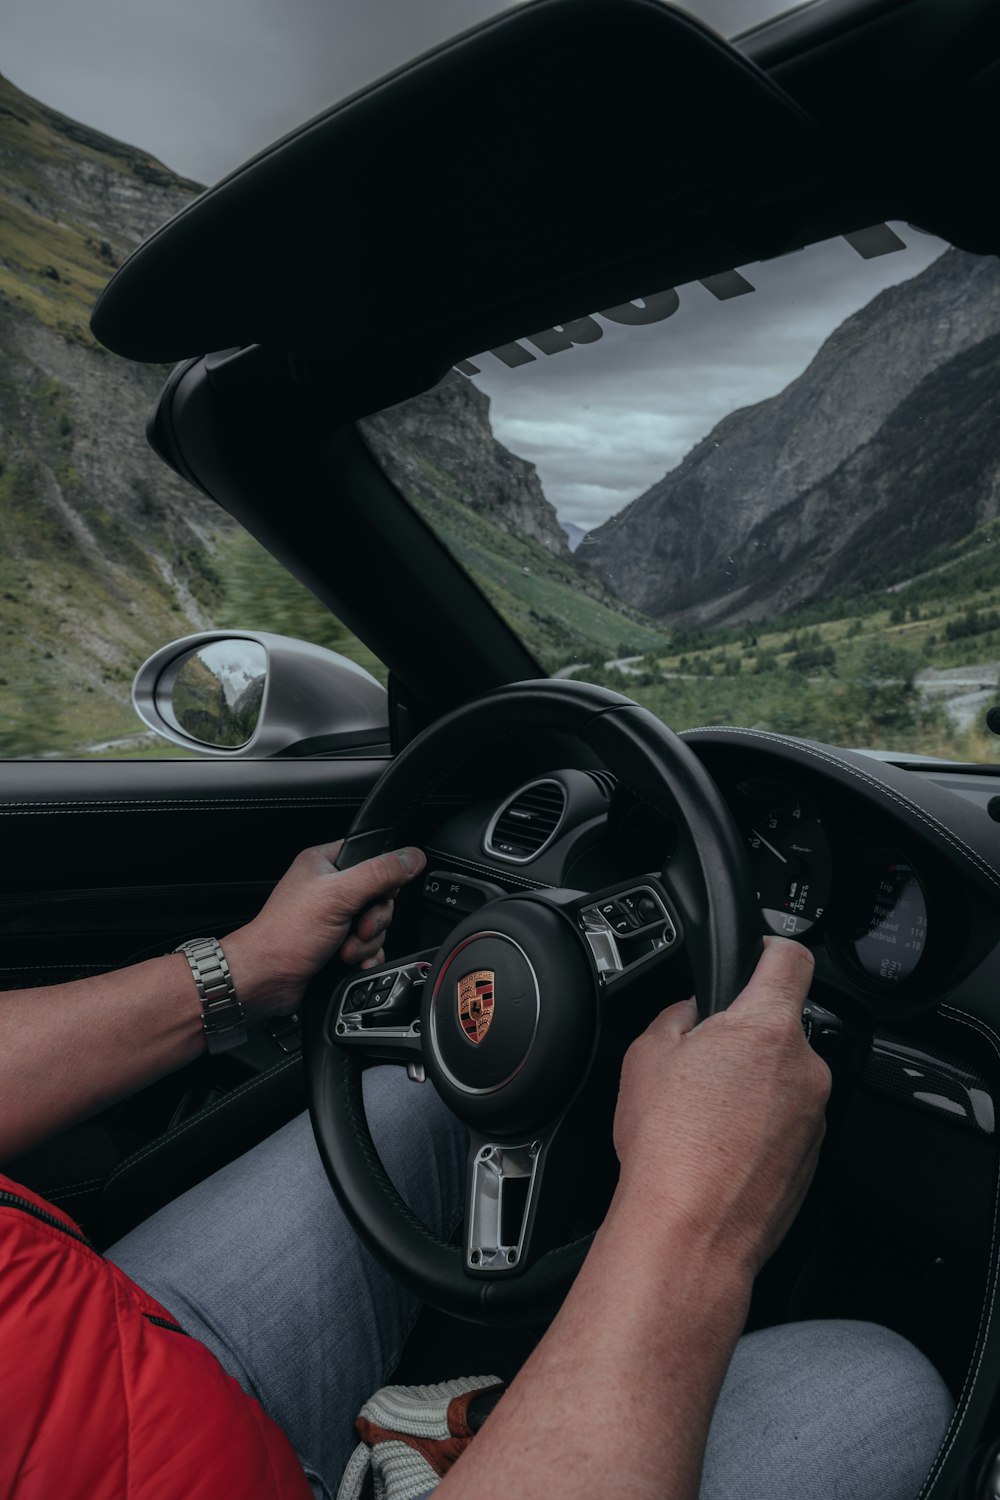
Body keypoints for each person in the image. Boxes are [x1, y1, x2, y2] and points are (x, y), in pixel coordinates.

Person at [0, 842, 953, 1499]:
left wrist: (246, 970)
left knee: (427, 1093)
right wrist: (692, 1215)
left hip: (89, 1338)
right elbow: (690, 1210)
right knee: (883, 1383)